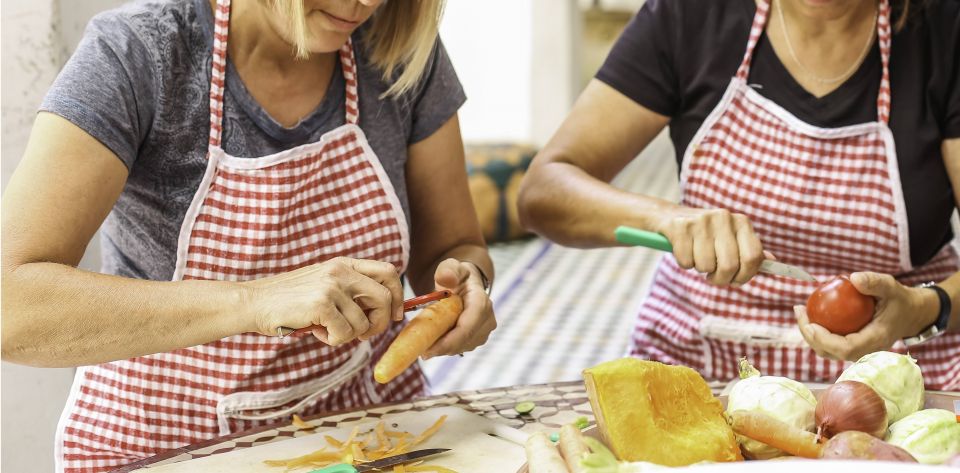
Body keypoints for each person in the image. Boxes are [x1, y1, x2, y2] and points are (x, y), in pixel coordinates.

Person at [1, 0, 496, 471]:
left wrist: (466, 281)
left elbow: (455, 247)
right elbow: (11, 307)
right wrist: (257, 301)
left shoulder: (397, 44)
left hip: (364, 432)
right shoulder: (138, 55)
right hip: (170, 446)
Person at [518, 0, 959, 389]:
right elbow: (544, 191)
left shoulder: (944, 28)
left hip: (898, 381)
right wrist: (667, 217)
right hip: (699, 369)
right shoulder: (692, 14)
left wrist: (923, 306)